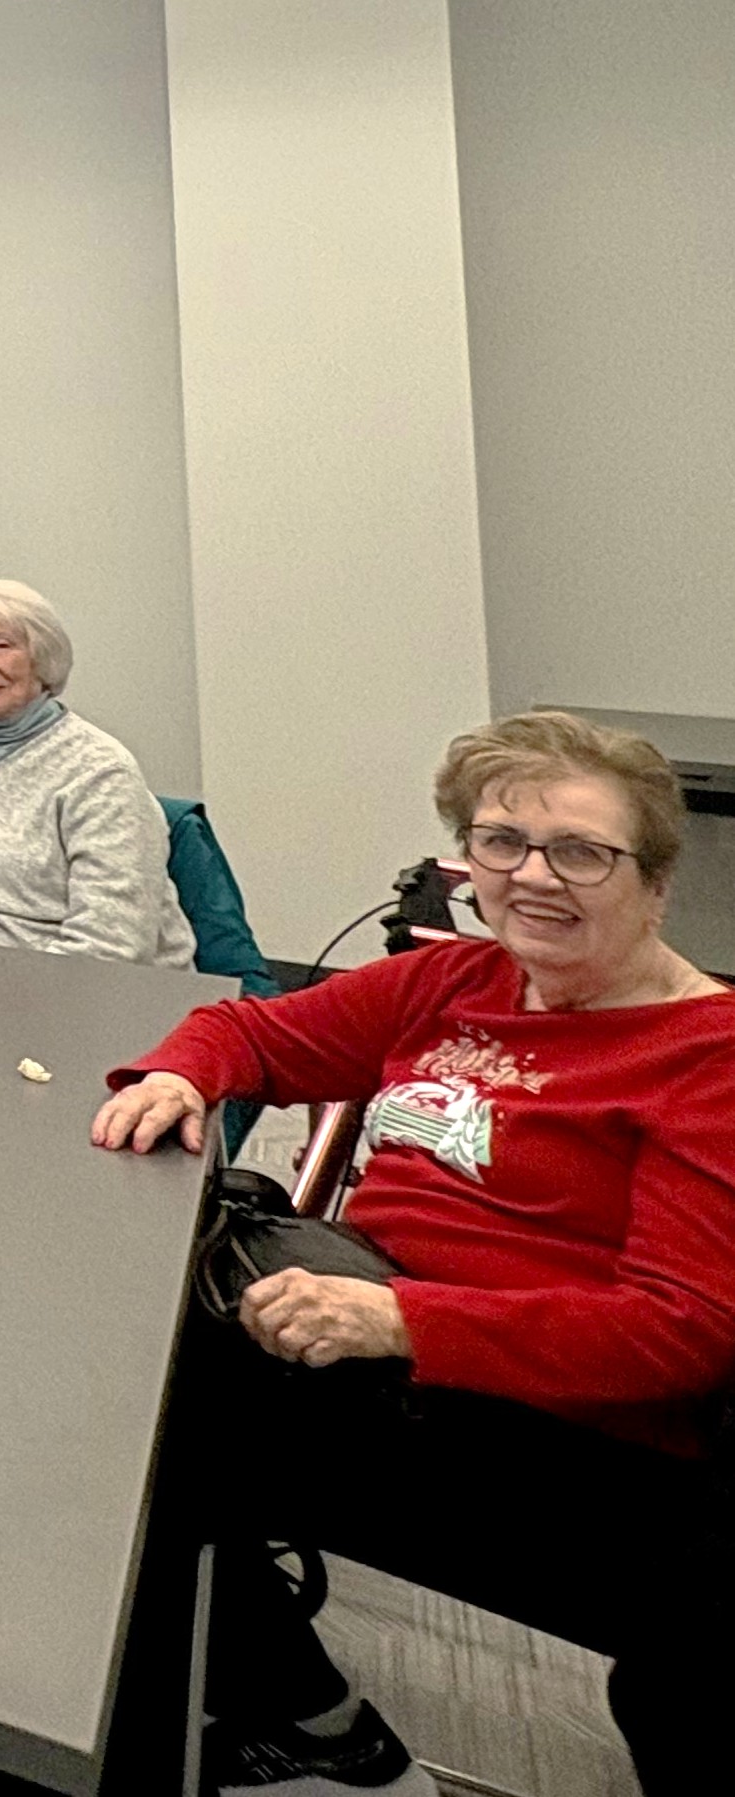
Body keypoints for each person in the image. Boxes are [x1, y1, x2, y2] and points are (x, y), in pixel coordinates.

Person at [51, 713, 735, 1797]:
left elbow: (678, 1333)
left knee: (132, 1431)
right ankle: (298, 1726)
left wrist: (403, 1320)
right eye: (501, 841)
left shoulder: (708, 1057)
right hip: (381, 1349)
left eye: (580, 852)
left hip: (555, 1427)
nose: (531, 875)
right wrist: (179, 1074)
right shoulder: (458, 980)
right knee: (120, 1390)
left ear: (654, 882)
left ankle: (177, 1748)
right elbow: (254, 1032)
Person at [0, 578, 192, 966]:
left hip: (79, 981)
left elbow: (112, 942)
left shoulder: (100, 770)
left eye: (0, 646)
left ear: (42, 658)